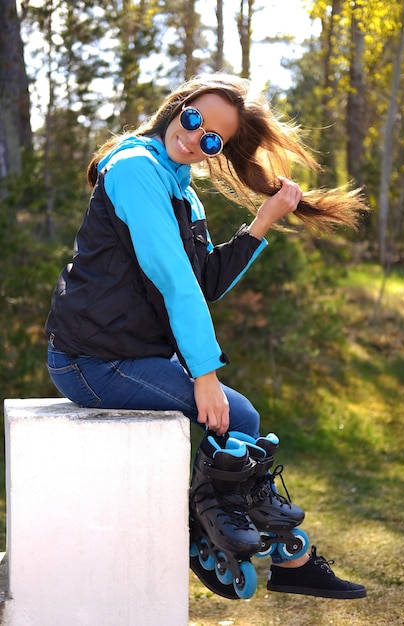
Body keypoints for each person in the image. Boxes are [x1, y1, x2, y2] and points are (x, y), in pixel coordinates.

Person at [45, 73, 367, 600]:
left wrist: (263, 220)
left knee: (238, 422)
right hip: (90, 361)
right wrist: (205, 375)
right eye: (195, 120)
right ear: (181, 105)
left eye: (212, 139)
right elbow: (174, 280)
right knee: (236, 418)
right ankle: (221, 532)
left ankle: (260, 547)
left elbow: (205, 282)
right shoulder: (135, 171)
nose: (196, 138)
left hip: (125, 355)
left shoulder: (180, 188)